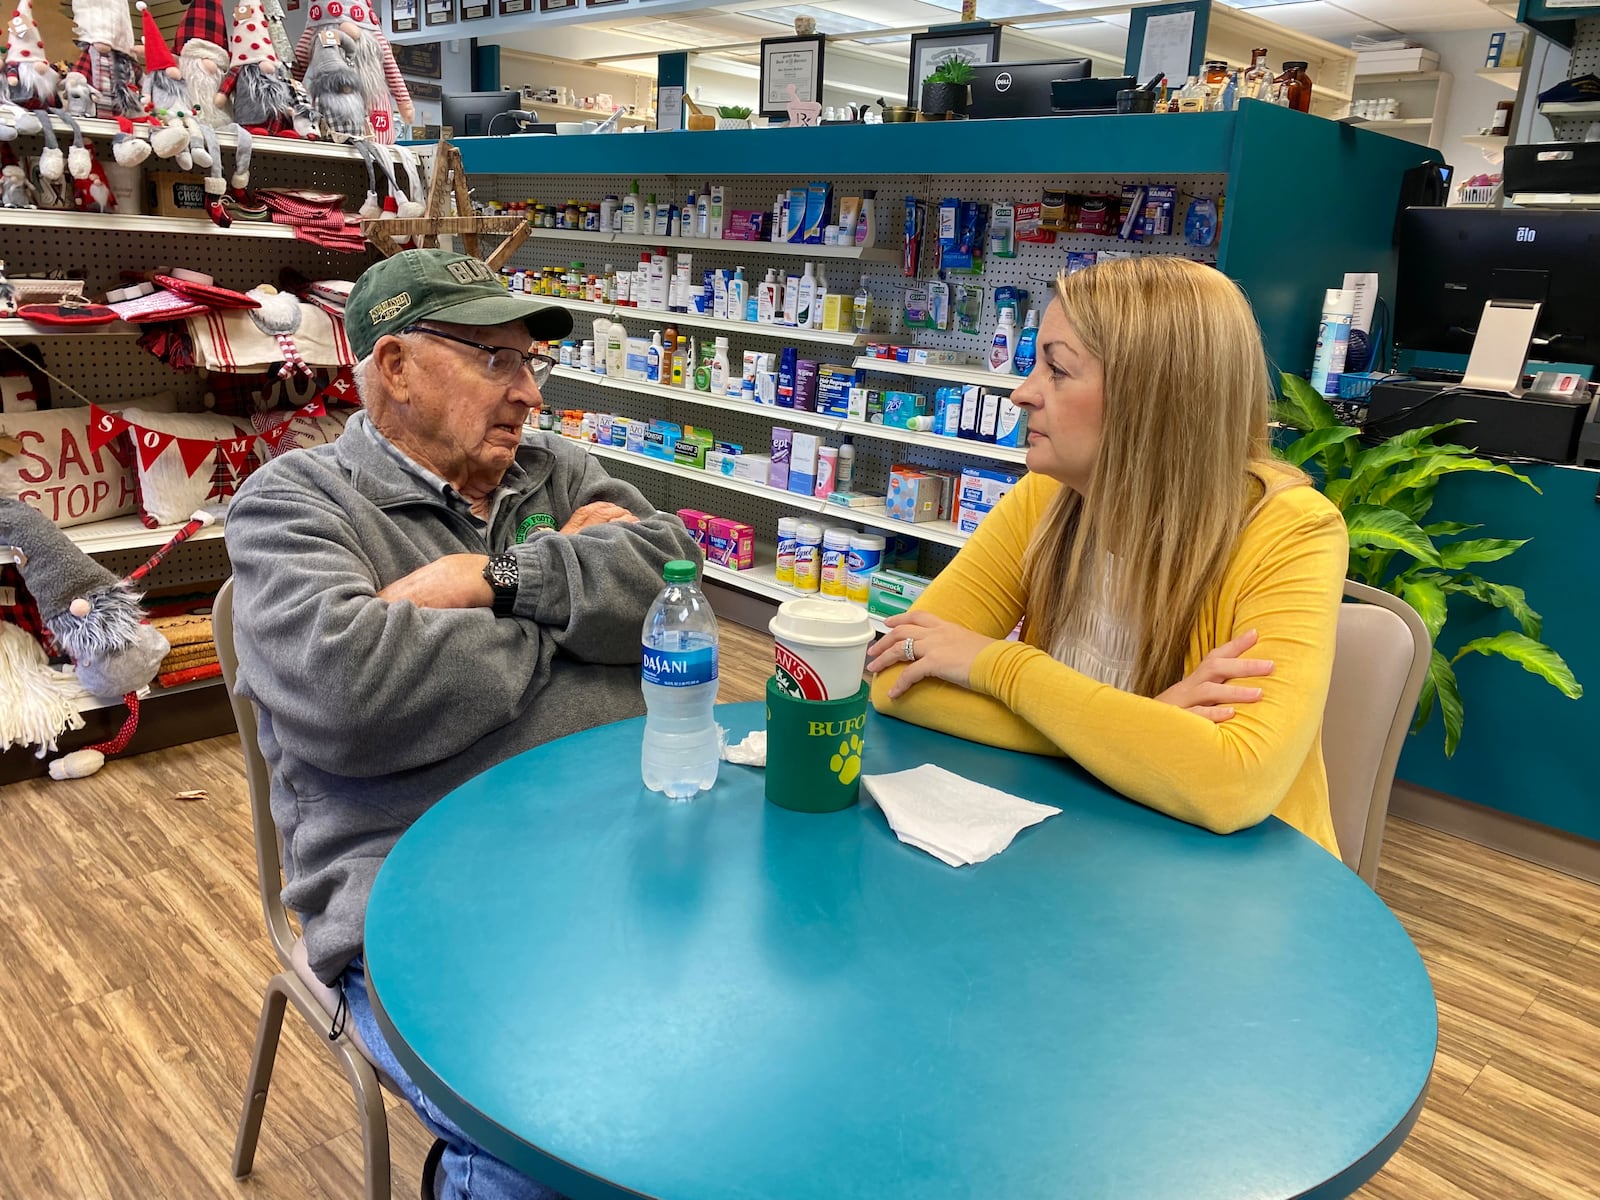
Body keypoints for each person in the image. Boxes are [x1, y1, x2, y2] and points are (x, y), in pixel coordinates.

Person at [226, 248, 701, 1200]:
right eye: (497, 360)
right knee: (541, 1138)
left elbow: (675, 586)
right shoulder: (294, 504)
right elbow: (350, 694)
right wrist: (567, 620)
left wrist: (493, 581)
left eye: (533, 364)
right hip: (418, 895)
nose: (529, 394)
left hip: (632, 843)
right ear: (394, 367)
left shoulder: (553, 470)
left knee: (735, 1061)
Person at [867, 256, 1347, 855]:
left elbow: (1232, 784)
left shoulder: (1291, 533)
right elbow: (894, 678)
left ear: (1152, 397)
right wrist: (1142, 725)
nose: (1022, 393)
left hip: (1237, 889)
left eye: (1057, 370)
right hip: (1086, 845)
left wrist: (1001, 667)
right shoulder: (1047, 495)